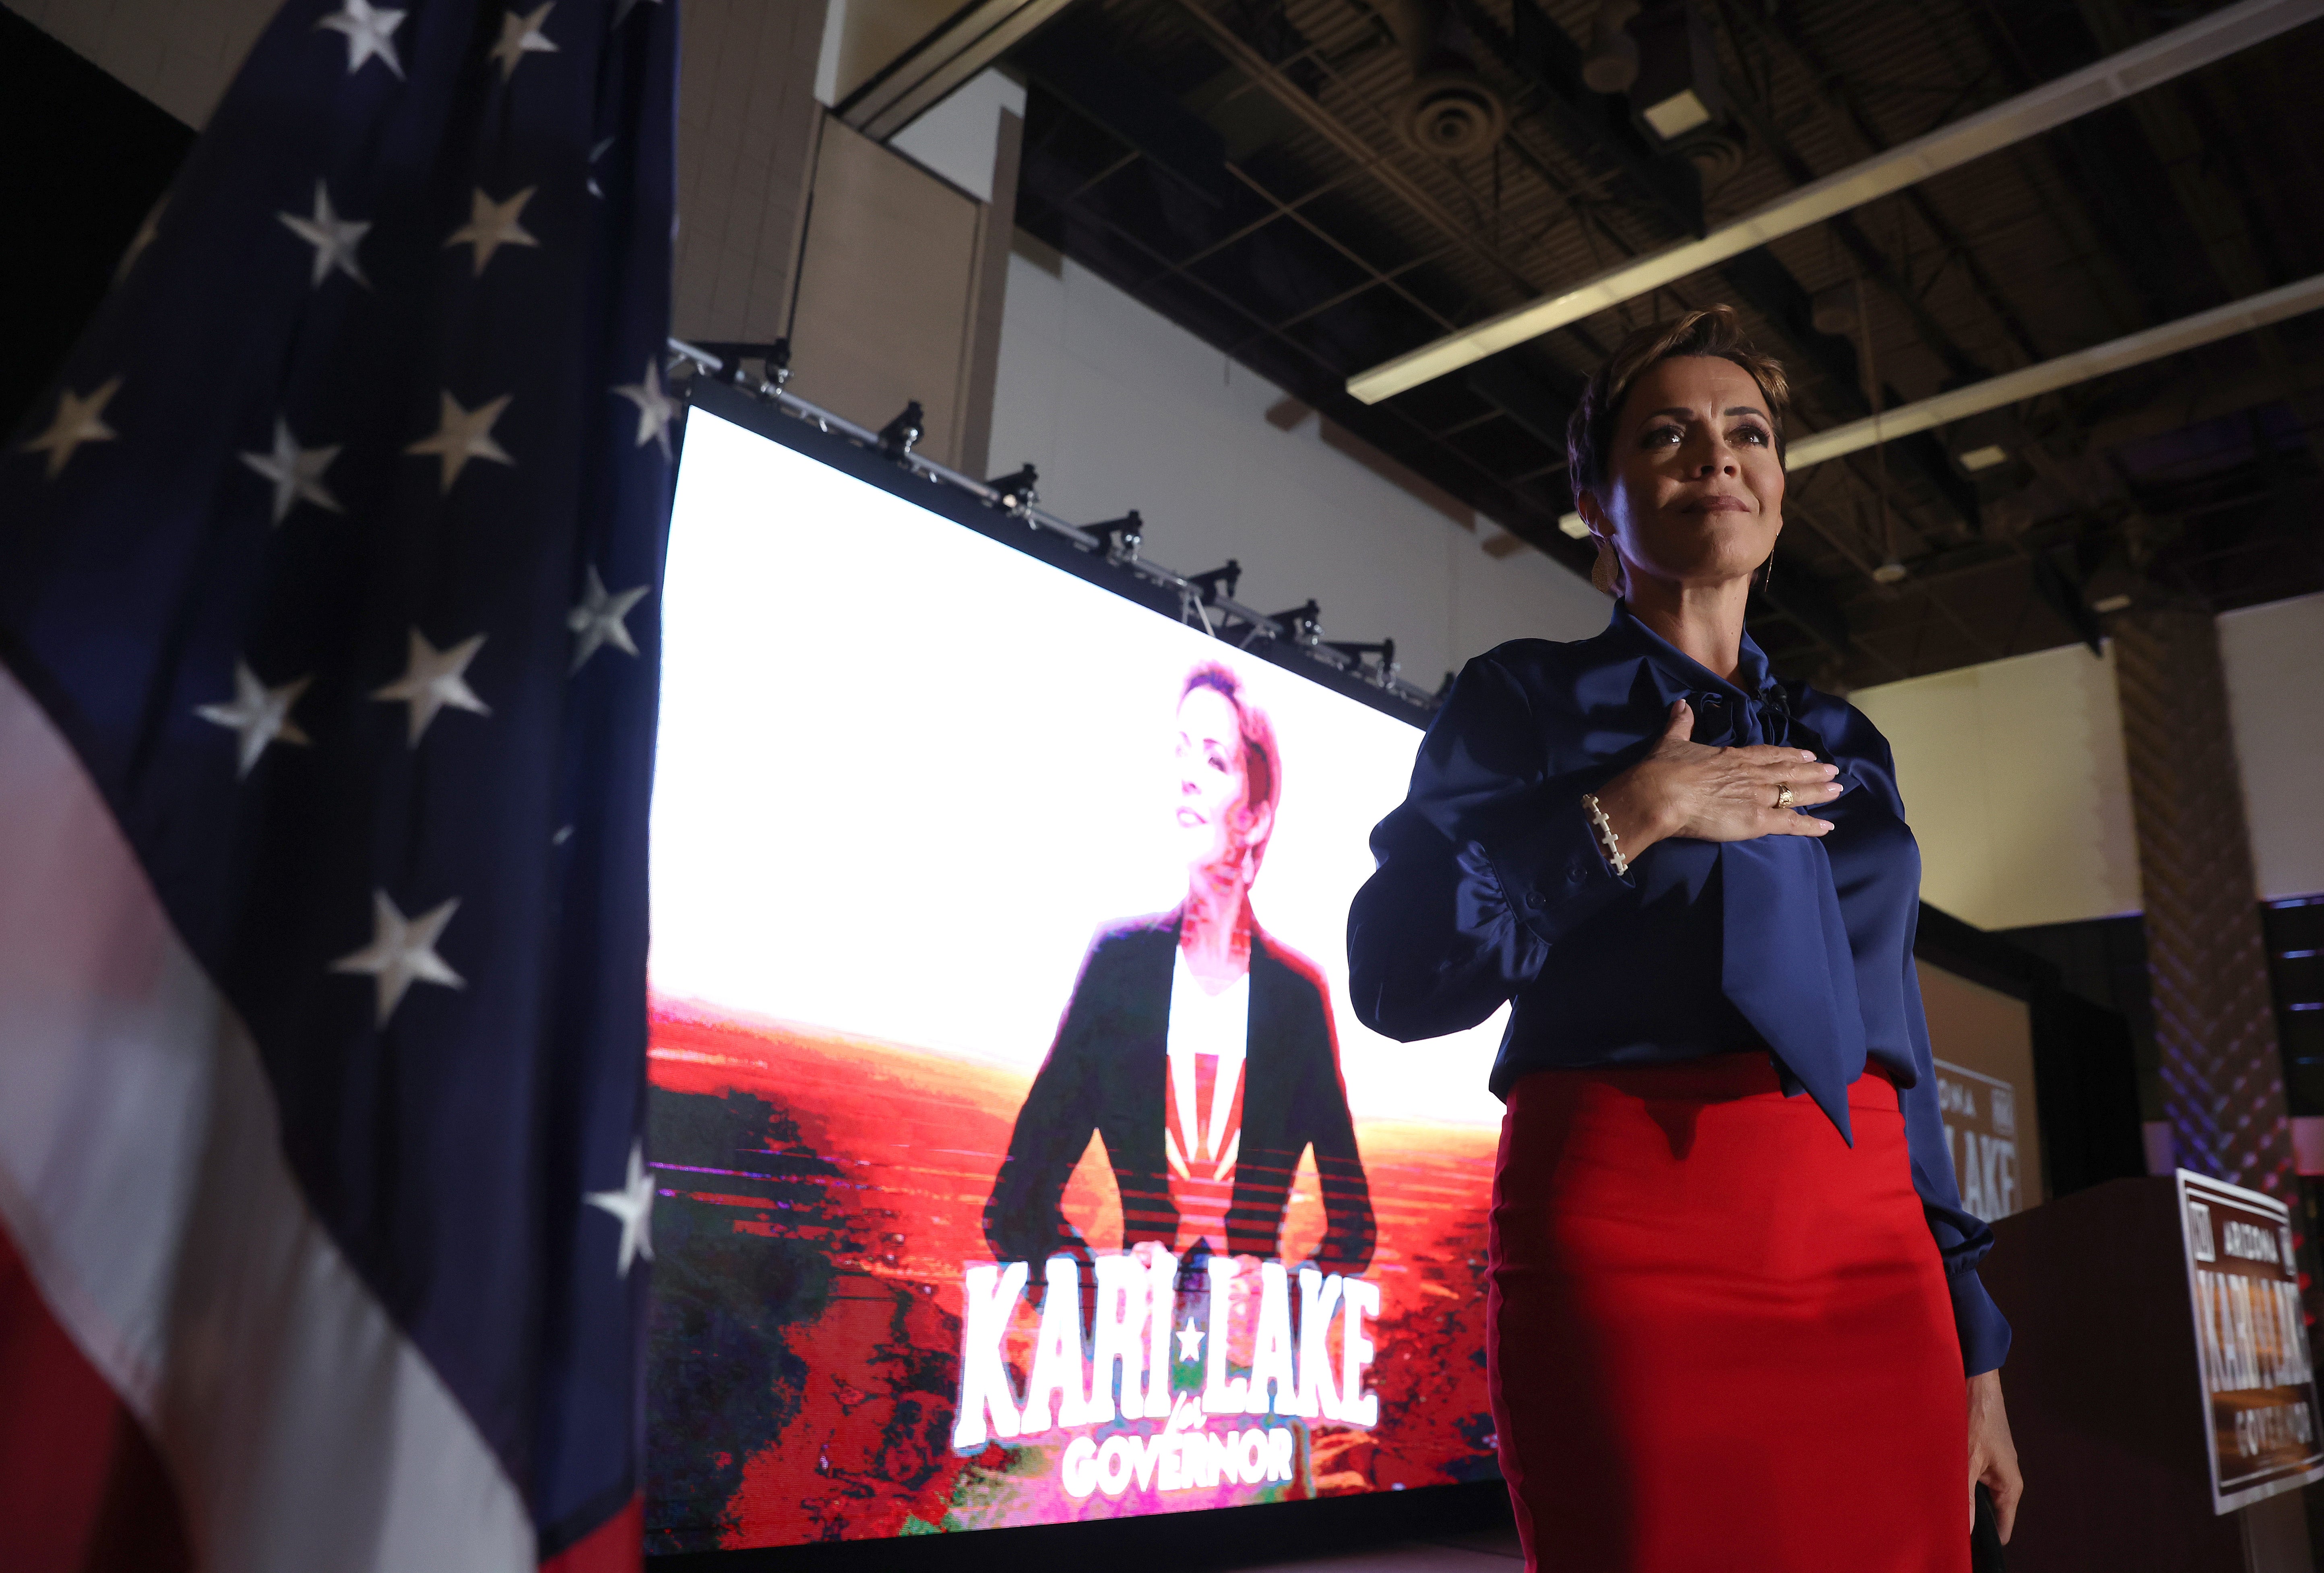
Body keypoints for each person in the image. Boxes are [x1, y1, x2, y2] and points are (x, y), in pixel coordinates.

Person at [1348, 306, 2020, 1572]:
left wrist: (1970, 1336)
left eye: (1744, 433)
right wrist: (1627, 814)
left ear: (1776, 494)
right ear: (1596, 504)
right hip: (1631, 1238)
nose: (1711, 456)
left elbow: (1894, 1037)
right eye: (1664, 435)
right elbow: (1395, 975)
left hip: (1871, 1250)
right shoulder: (1522, 700)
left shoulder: (1843, 740)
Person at [986, 662, 1374, 1278]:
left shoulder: (1297, 999)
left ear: (1256, 817)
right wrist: (1099, 1287)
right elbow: (1013, 1208)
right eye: (1180, 753)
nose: (1187, 778)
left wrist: (1281, 1299)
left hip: (1257, 1367)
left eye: (1215, 762)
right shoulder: (1118, 966)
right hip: (1125, 1364)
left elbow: (1353, 1233)